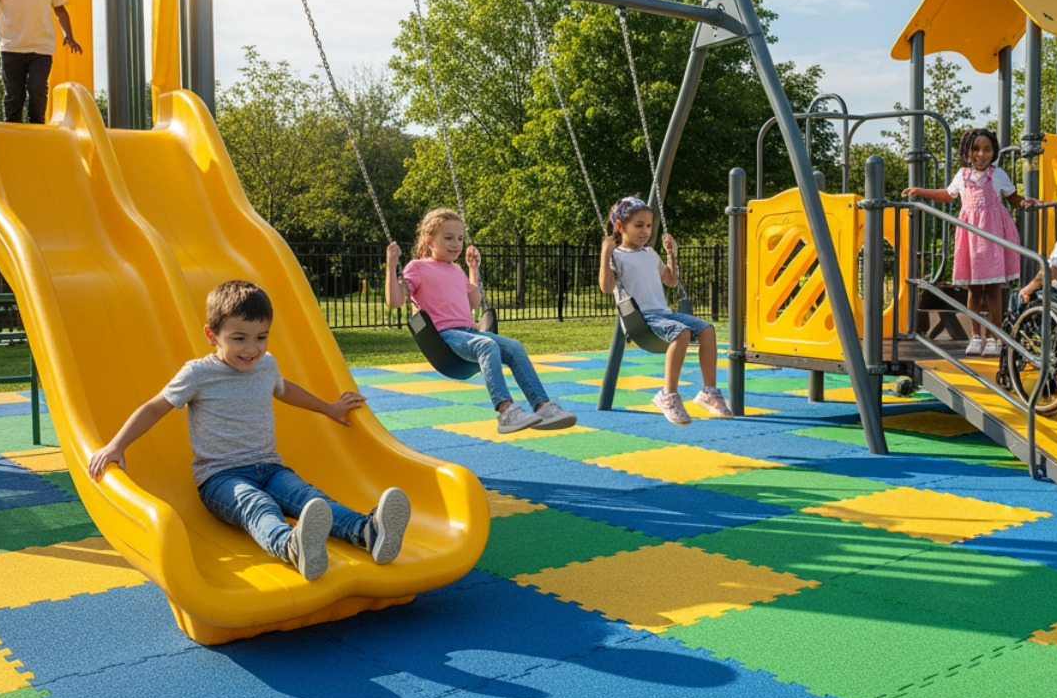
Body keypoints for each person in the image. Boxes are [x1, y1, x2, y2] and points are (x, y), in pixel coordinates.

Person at [87, 280, 410, 582]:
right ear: (212, 335)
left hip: (269, 467)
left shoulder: (266, 365)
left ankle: (367, 532)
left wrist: (329, 408)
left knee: (309, 497)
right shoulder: (198, 374)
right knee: (257, 505)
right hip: (220, 478)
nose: (252, 349)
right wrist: (117, 445)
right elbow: (155, 407)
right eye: (239, 338)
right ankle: (290, 546)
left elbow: (285, 390)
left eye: (261, 337)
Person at [385, 209, 576, 434]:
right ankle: (506, 410)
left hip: (469, 332)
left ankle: (542, 405)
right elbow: (395, 301)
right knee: (487, 345)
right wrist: (391, 265)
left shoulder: (457, 271)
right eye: (448, 238)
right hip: (445, 337)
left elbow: (474, 302)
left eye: (460, 238)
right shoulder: (417, 267)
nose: (456, 244)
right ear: (429, 241)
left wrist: (473, 269)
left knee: (514, 347)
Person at [598, 196, 732, 426]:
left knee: (708, 330)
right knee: (682, 333)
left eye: (648, 225)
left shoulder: (650, 253)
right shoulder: (616, 256)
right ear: (620, 226)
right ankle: (668, 395)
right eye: (639, 225)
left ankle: (708, 391)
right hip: (641, 319)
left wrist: (671, 254)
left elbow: (670, 280)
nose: (645, 231)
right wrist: (605, 254)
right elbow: (606, 287)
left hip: (664, 314)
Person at [903, 126, 1022, 357]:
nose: (981, 154)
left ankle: (995, 337)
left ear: (994, 152)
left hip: (993, 237)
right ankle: (976, 336)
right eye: (975, 149)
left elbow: (1012, 198)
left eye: (987, 149)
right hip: (971, 237)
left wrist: (1026, 202)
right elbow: (948, 195)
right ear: (967, 151)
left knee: (994, 289)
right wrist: (921, 191)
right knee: (974, 290)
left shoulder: (997, 174)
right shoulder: (963, 175)